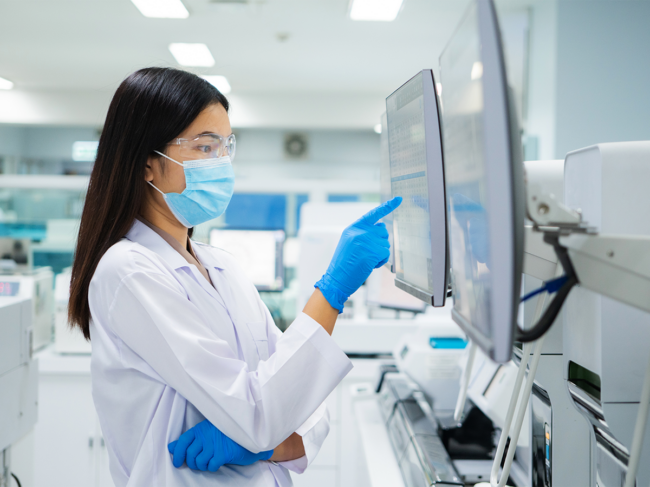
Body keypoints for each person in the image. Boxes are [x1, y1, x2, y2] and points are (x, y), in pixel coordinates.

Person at [68, 67, 401, 486]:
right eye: (206, 147)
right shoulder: (129, 271)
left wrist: (264, 444)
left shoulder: (223, 268)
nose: (221, 162)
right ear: (148, 164)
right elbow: (263, 412)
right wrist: (332, 290)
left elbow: (304, 398)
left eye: (227, 146)